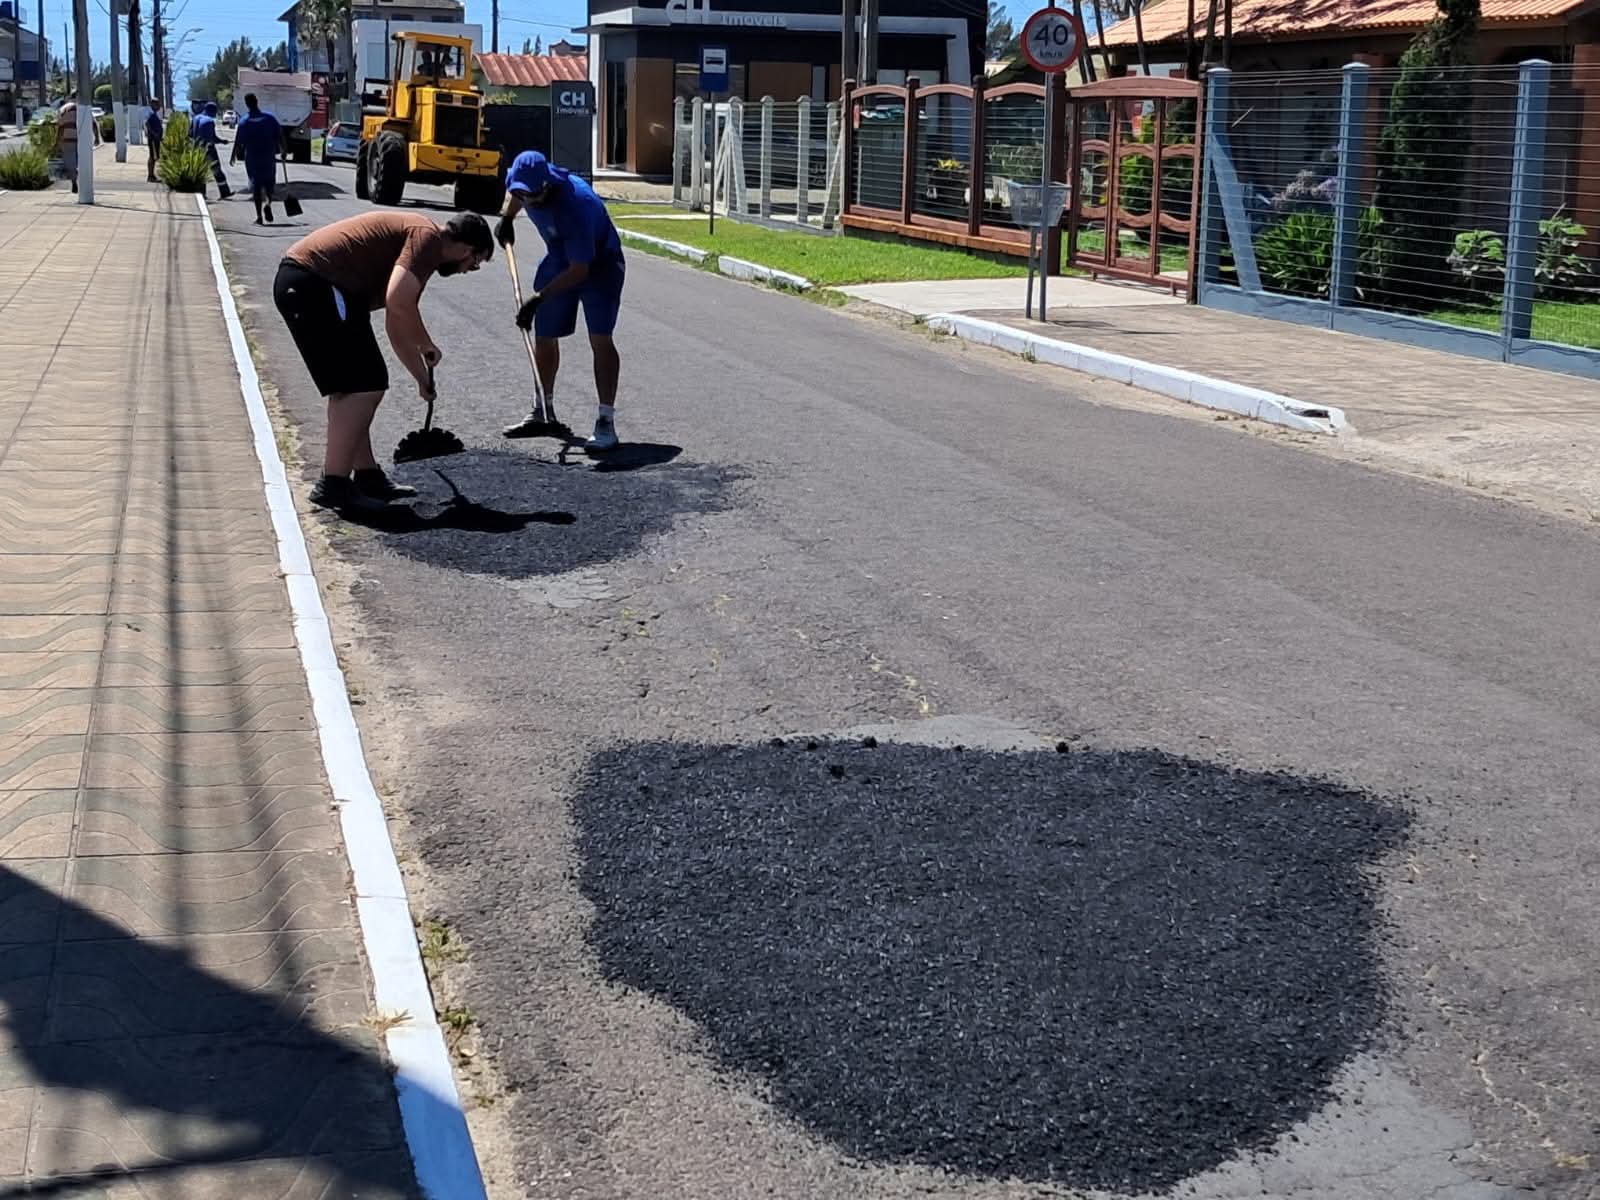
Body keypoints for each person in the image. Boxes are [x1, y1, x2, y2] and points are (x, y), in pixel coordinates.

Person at [274, 212, 495, 514]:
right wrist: (427, 343)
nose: (470, 269)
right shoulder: (426, 239)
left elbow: (396, 323)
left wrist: (422, 378)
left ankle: (367, 476)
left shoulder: (420, 244)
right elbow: (398, 300)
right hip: (316, 283)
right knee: (362, 386)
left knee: (359, 384)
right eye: (476, 262)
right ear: (468, 249)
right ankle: (333, 485)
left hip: (314, 285)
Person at [495, 151, 626, 452]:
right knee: (545, 333)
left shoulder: (575, 206)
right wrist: (508, 217)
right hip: (560, 255)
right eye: (520, 194)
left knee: (600, 338)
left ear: (547, 187)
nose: (527, 200)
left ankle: (606, 420)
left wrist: (538, 299)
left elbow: (580, 269)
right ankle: (543, 409)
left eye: (532, 196)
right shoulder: (524, 184)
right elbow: (518, 191)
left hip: (600, 264)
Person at [230, 93, 283, 224]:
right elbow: (280, 135)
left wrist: (233, 155)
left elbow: (238, 141)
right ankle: (268, 203)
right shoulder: (269, 118)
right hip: (268, 156)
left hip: (253, 159)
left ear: (247, 104)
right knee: (269, 184)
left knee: (256, 186)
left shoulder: (245, 121)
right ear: (257, 101)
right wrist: (284, 150)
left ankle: (259, 216)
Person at [54, 94, 99, 194]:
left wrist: (57, 142)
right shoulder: (84, 108)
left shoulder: (64, 109)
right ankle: (82, 179)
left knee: (70, 164)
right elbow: (94, 124)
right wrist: (97, 138)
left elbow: (60, 127)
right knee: (83, 162)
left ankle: (74, 180)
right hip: (83, 140)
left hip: (68, 139)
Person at [190, 101, 232, 199]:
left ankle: (202, 194)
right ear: (212, 111)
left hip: (196, 150)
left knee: (201, 172)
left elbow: (190, 134)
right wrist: (222, 141)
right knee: (217, 171)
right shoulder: (209, 121)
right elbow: (211, 138)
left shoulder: (195, 118)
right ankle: (224, 192)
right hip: (208, 150)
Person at [144, 102, 164, 183]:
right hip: (153, 139)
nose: (159, 106)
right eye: (157, 105)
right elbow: (147, 124)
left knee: (153, 157)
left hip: (156, 139)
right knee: (152, 157)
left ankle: (152, 175)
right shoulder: (151, 114)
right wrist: (154, 134)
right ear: (152, 105)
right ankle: (150, 176)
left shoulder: (154, 114)